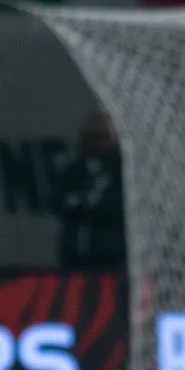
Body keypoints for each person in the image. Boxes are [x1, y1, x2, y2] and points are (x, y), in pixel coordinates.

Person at [57, 111, 127, 270]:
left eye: (100, 136)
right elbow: (58, 203)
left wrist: (83, 204)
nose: (94, 142)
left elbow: (115, 208)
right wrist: (87, 203)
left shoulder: (121, 172)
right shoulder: (73, 171)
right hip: (74, 254)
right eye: (90, 137)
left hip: (110, 257)